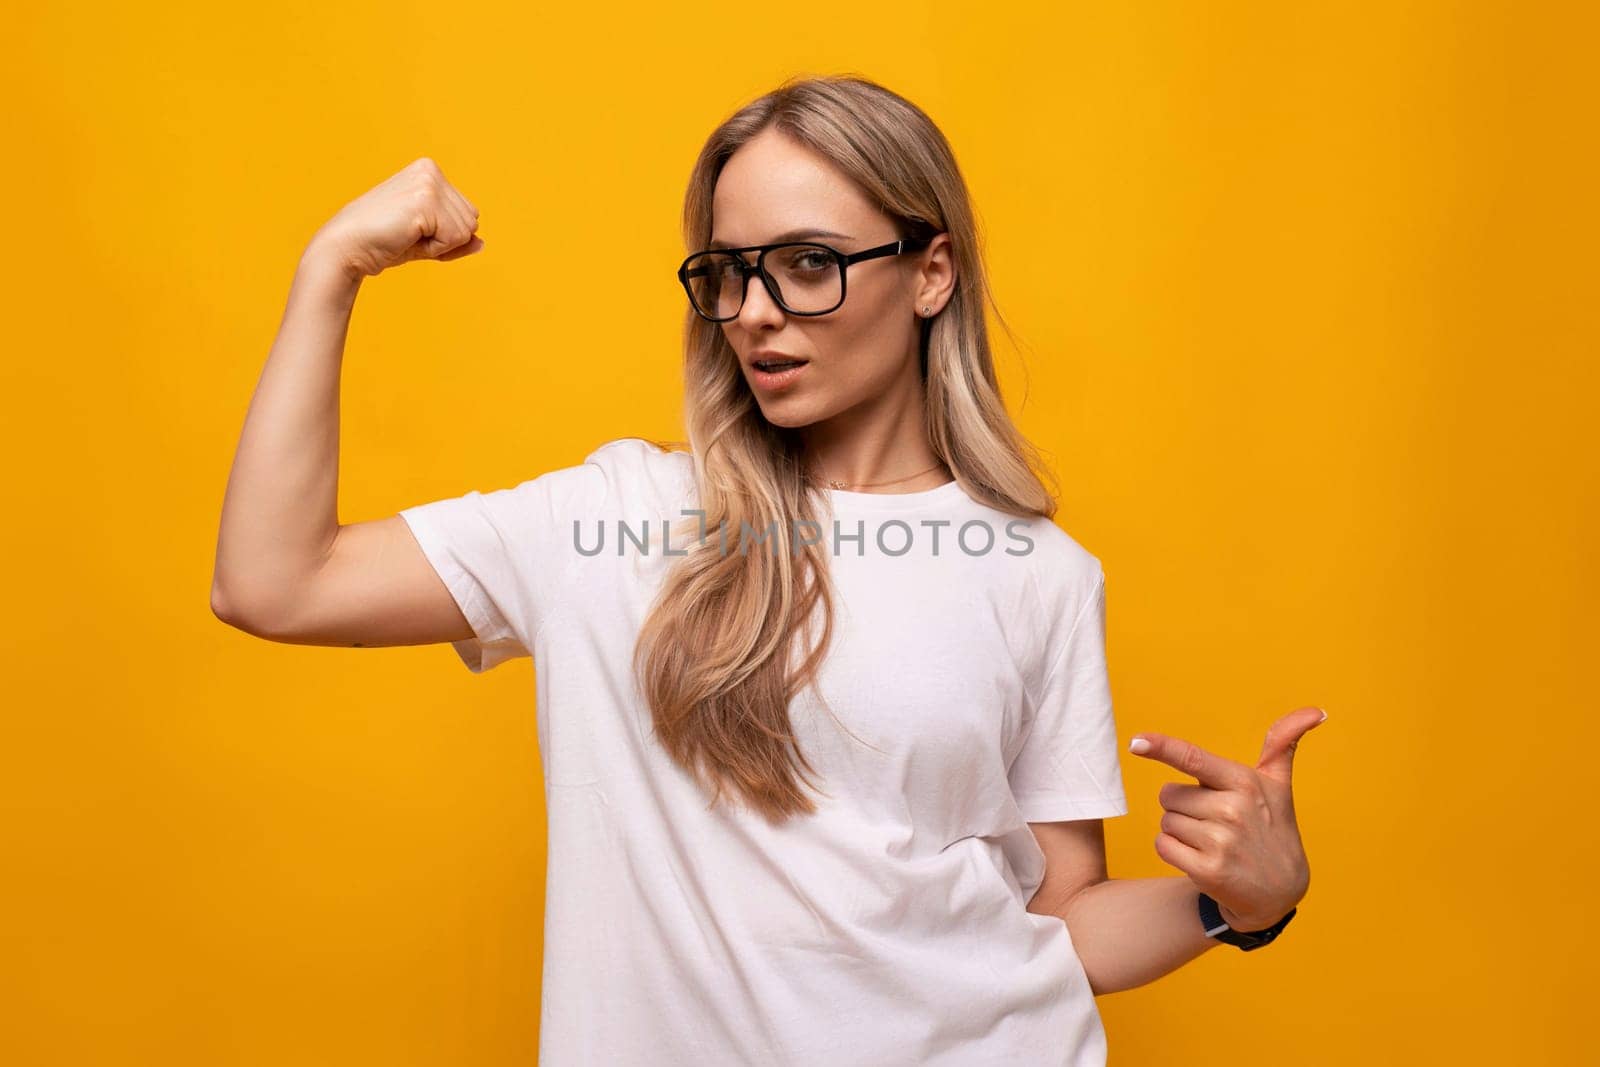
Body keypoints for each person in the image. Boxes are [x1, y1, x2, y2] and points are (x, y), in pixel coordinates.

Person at [212, 74, 1318, 1067]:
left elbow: (1061, 918)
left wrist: (1239, 903)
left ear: (931, 272)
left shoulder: (1037, 571)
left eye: (806, 264)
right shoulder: (619, 517)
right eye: (728, 272)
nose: (752, 313)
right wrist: (333, 268)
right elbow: (276, 582)